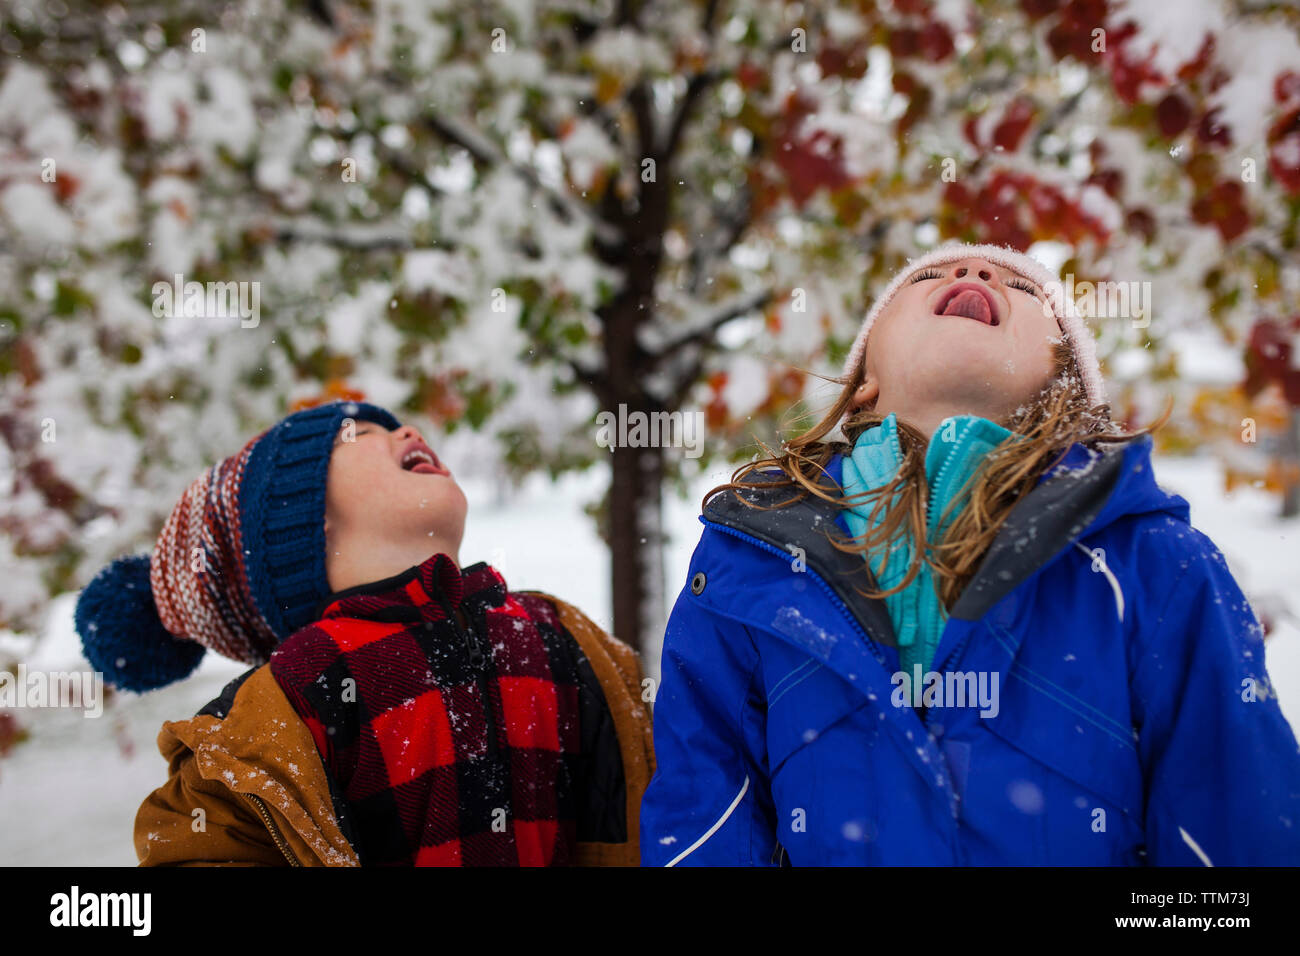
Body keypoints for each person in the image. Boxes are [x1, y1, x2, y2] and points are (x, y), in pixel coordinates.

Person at [640, 242, 1300, 866]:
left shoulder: (1155, 565)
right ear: (865, 381)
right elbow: (704, 813)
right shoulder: (749, 560)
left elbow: (1236, 826)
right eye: (928, 277)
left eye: (1020, 286)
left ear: (1064, 386)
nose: (978, 275)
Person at [75, 399, 654, 866]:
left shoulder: (565, 638)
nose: (405, 429)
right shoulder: (288, 701)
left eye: (395, 422)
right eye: (360, 431)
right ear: (303, 518)